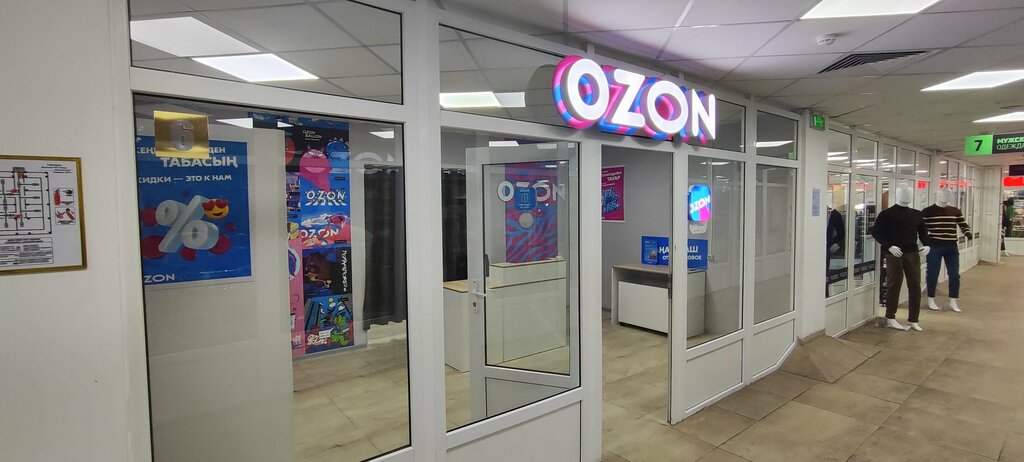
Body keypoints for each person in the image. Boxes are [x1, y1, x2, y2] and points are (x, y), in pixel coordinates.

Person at [871, 185, 930, 331]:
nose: (907, 195)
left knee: (915, 286)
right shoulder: (886, 214)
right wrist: (889, 246)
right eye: (904, 193)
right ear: (897, 194)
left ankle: (913, 319)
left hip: (913, 253)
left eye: (909, 193)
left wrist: (927, 245)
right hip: (894, 254)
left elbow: (923, 232)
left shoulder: (917, 214)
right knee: (894, 284)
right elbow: (877, 232)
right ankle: (890, 317)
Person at [922, 189, 971, 312]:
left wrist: (968, 233)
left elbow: (963, 224)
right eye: (942, 194)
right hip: (934, 246)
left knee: (954, 274)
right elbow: (921, 228)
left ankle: (953, 301)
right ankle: (931, 299)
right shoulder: (927, 211)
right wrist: (925, 242)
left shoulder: (955, 211)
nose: (945, 197)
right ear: (937, 195)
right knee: (933, 273)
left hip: (951, 246)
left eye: (947, 195)